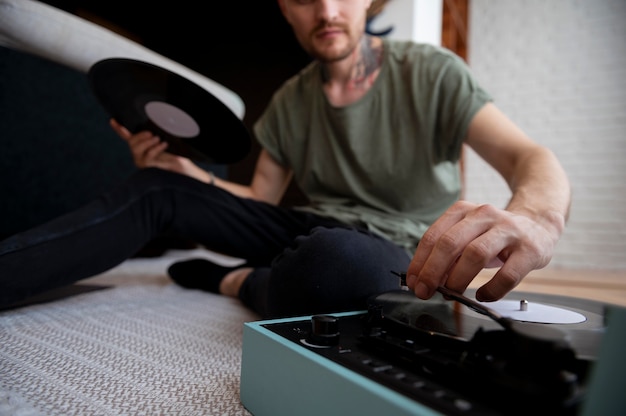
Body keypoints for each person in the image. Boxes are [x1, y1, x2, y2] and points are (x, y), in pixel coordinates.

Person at [0, 0, 570, 318]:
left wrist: (537, 218)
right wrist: (186, 176)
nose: (325, 11)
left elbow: (528, 156)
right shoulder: (290, 101)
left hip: (397, 246)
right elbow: (260, 204)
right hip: (302, 226)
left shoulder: (431, 72)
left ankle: (238, 281)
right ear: (285, 10)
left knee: (335, 269)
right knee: (159, 189)